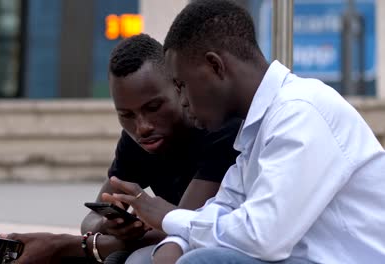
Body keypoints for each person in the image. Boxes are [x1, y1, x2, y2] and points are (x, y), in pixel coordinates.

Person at [105, 1, 385, 264]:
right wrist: (173, 244)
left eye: (181, 85)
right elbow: (222, 208)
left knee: (203, 262)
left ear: (215, 66)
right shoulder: (258, 131)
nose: (183, 100)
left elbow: (263, 236)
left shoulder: (301, 111)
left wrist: (169, 217)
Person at [2, 33, 241, 264]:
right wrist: (108, 226)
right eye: (126, 115)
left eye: (154, 107)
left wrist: (66, 245)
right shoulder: (137, 140)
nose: (142, 127)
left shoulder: (216, 127)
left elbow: (185, 226)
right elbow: (93, 217)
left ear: (179, 88)